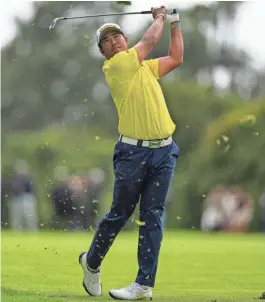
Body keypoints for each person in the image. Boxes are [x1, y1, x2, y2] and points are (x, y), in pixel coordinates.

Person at [79, 6, 183, 300]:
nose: (113, 41)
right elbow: (149, 42)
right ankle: (92, 262)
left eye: (117, 36)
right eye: (106, 41)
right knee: (120, 214)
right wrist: (161, 17)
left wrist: (175, 22)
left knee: (153, 217)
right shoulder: (115, 67)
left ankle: (143, 285)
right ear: (103, 52)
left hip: (164, 152)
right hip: (132, 154)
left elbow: (176, 57)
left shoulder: (145, 68)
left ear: (124, 39)